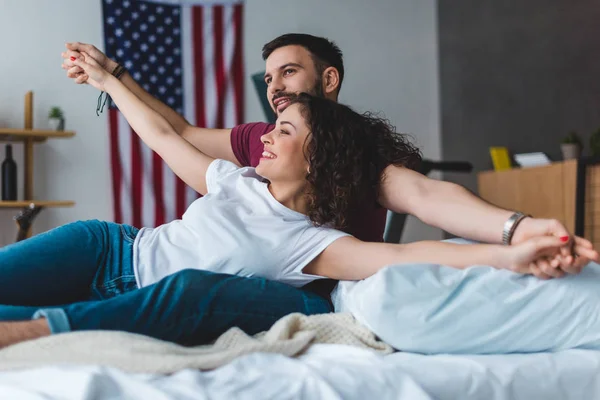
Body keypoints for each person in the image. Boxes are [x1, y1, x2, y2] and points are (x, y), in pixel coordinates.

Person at [0, 34, 595, 349]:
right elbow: (166, 134)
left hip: (183, 289)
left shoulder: (318, 235)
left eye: (286, 104)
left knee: (191, 289)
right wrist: (108, 75)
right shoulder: (238, 172)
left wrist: (511, 243)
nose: (270, 113)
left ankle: (34, 331)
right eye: (270, 85)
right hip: (109, 249)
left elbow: (410, 243)